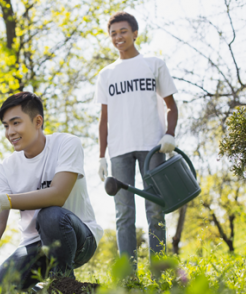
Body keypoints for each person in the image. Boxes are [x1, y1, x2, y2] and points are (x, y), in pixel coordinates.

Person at [0, 92, 104, 292]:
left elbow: (58, 195)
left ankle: (63, 285)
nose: (10, 132)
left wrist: (5, 201)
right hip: (34, 247)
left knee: (50, 215)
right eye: (6, 126)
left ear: (38, 122)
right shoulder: (7, 167)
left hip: (78, 238)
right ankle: (43, 287)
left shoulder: (67, 144)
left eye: (16, 123)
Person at [94, 11, 178, 268]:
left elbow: (171, 106)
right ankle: (128, 278)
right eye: (113, 34)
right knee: (124, 214)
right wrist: (101, 156)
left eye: (123, 32)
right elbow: (104, 118)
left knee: (155, 210)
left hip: (152, 147)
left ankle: (159, 273)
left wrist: (170, 134)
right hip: (119, 151)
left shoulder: (154, 64)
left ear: (134, 33)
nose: (118, 37)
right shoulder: (106, 74)